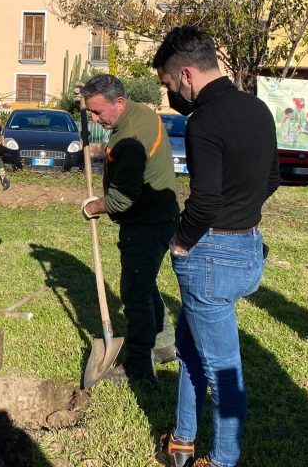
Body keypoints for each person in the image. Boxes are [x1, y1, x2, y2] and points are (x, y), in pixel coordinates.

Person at [151, 26, 279, 467]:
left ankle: (223, 460)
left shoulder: (203, 121)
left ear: (186, 75)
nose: (172, 95)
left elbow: (204, 201)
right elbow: (271, 180)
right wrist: (243, 215)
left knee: (224, 371)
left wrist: (182, 242)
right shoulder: (259, 109)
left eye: (169, 85)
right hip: (248, 248)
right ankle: (182, 441)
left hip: (211, 257)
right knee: (189, 347)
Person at [79, 74, 180, 383]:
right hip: (163, 216)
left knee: (134, 292)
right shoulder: (144, 114)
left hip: (145, 222)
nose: (95, 119)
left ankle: (139, 366)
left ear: (118, 102)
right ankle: (164, 345)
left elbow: (122, 199)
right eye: (90, 113)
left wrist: (93, 206)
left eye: (98, 112)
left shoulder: (129, 137)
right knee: (145, 283)